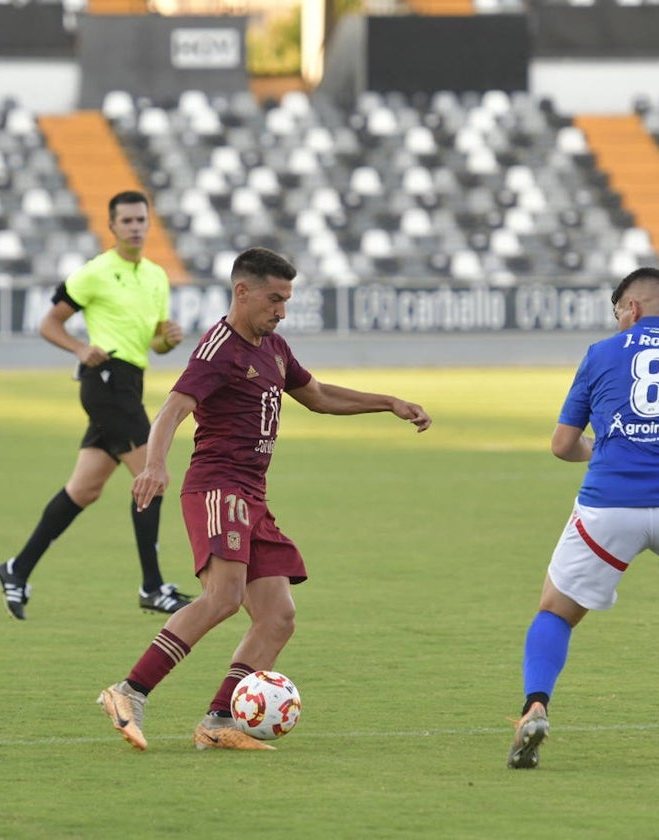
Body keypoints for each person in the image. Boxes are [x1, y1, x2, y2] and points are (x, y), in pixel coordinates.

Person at [97, 247, 431, 750]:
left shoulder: (273, 348)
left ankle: (218, 722)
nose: (281, 311)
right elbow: (172, 408)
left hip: (253, 494)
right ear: (242, 291)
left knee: (278, 617)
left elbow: (317, 396)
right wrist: (155, 464)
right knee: (225, 598)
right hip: (218, 486)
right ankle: (129, 692)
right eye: (274, 299)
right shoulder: (219, 348)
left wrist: (388, 403)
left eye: (287, 300)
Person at [507, 267, 659, 769]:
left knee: (555, 610)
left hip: (609, 507)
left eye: (617, 310)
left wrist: (603, 449)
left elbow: (561, 445)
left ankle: (535, 707)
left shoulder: (600, 354)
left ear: (631, 308)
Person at [0, 190, 190, 620]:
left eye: (142, 220)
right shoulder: (96, 272)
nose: (136, 227)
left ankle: (16, 569)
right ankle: (153, 587)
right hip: (106, 381)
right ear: (113, 226)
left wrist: (167, 340)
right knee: (152, 477)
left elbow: (153, 344)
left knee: (84, 489)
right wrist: (80, 349)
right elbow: (49, 323)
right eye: (128, 221)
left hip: (129, 382)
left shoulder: (156, 276)